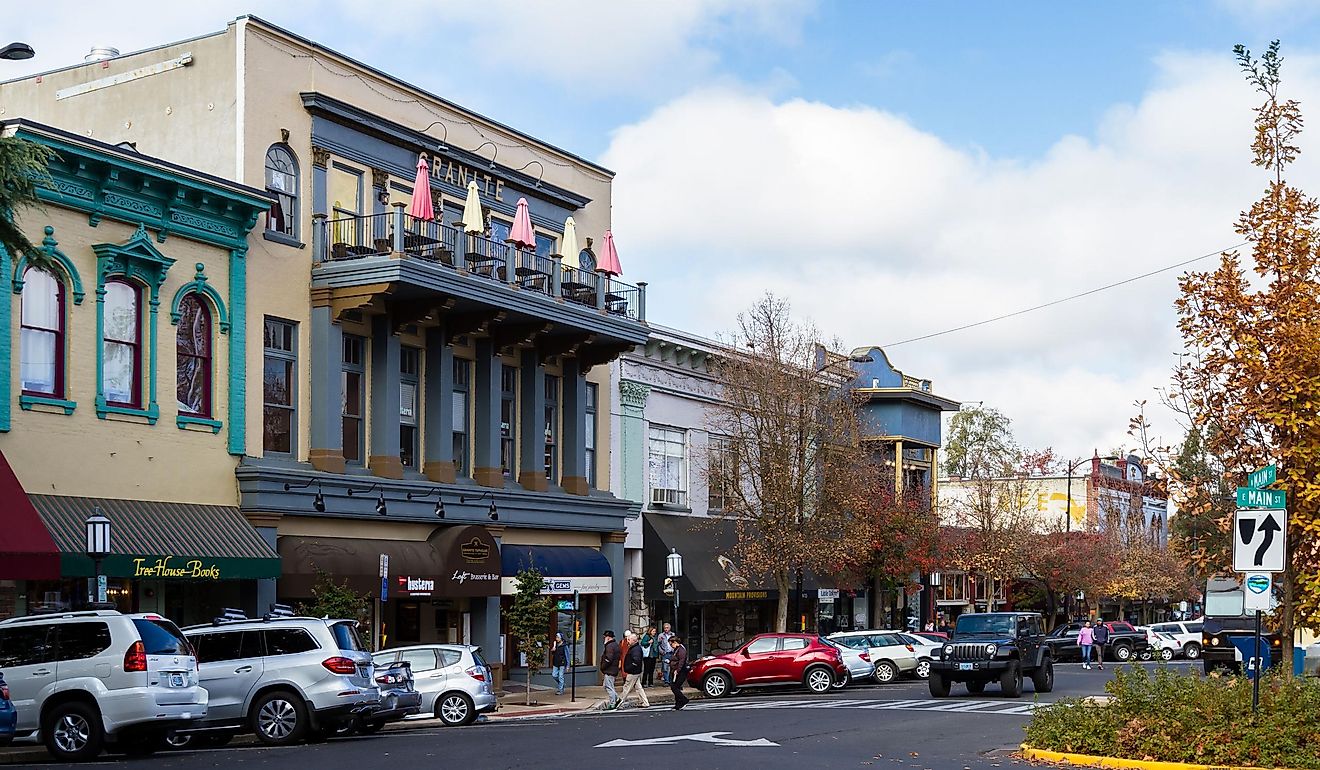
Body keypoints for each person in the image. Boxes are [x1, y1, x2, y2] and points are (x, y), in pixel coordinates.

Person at [616, 631, 651, 709]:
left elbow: (636, 661)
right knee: (638, 688)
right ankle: (645, 702)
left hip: (633, 672)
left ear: (633, 640)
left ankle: (618, 703)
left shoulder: (635, 649)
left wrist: (629, 668)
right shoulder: (635, 648)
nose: (627, 641)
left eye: (628, 640)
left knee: (626, 688)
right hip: (636, 671)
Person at [668, 634, 690, 710]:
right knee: (676, 687)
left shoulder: (681, 650)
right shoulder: (677, 649)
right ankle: (678, 703)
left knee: (674, 687)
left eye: (671, 644)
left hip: (681, 671)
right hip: (676, 670)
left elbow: (681, 661)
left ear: (675, 642)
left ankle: (683, 700)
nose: (671, 646)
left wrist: (677, 670)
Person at [600, 630, 621, 708]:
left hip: (610, 670)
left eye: (605, 637)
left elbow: (608, 659)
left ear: (608, 637)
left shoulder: (610, 646)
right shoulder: (615, 645)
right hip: (613, 669)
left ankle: (612, 703)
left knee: (609, 687)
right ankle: (617, 698)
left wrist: (603, 667)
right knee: (606, 685)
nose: (604, 639)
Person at [550, 632, 568, 696]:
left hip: (562, 663)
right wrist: (553, 649)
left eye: (558, 637)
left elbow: (567, 655)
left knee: (560, 676)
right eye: (556, 637)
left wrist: (568, 665)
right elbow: (553, 653)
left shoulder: (564, 646)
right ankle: (562, 684)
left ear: (561, 638)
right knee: (554, 675)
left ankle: (560, 690)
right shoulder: (556, 645)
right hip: (555, 662)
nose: (556, 639)